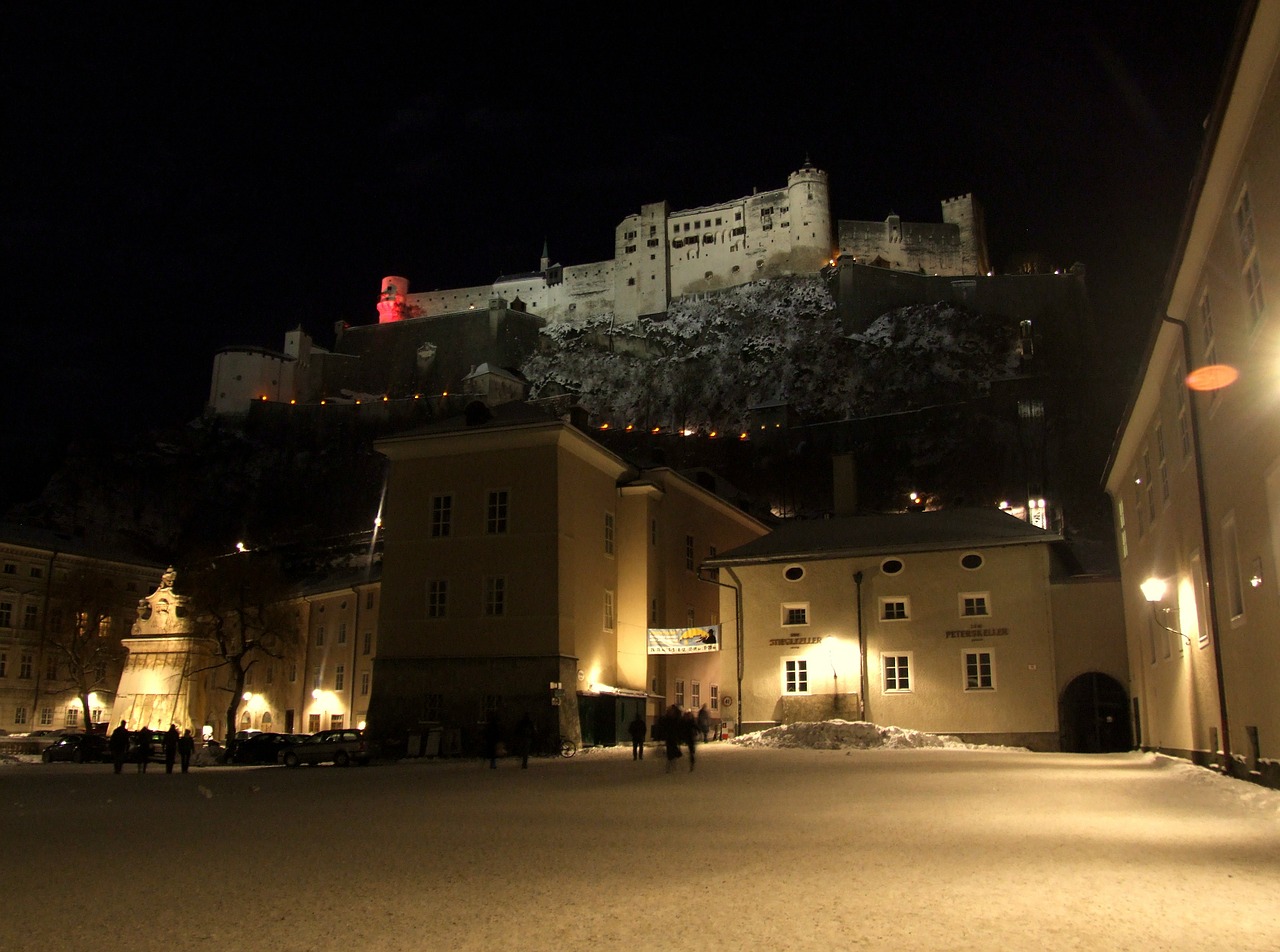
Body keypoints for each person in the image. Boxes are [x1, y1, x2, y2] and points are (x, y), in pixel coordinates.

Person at [660, 705, 682, 773]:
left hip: (673, 738)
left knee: (672, 753)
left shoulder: (673, 719)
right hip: (670, 738)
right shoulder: (669, 719)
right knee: (670, 754)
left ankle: (671, 768)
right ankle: (670, 768)